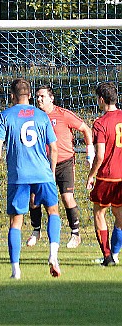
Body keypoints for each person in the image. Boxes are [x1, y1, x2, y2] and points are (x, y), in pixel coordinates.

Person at [0, 78, 61, 279]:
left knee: (16, 222)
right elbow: (53, 148)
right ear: (29, 95)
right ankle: (53, 256)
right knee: (53, 212)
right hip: (42, 174)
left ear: (12, 95)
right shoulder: (42, 116)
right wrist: (51, 172)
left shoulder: (5, 116)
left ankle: (16, 270)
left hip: (18, 176)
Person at [26, 85, 94, 249]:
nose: (39, 99)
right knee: (34, 198)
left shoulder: (63, 114)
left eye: (42, 96)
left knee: (67, 197)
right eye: (37, 96)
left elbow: (85, 129)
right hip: (43, 163)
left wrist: (89, 151)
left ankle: (75, 234)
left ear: (51, 98)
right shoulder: (35, 117)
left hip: (64, 163)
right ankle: (36, 230)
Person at [86, 81, 122, 266]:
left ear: (101, 99)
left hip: (107, 176)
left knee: (99, 213)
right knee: (119, 215)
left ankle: (107, 257)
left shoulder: (100, 123)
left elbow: (99, 155)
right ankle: (114, 254)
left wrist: (92, 175)